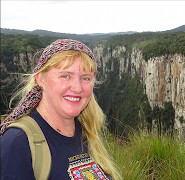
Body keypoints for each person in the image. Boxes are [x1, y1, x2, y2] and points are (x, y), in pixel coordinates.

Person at [0, 39, 121, 180]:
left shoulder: (85, 131)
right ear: (40, 79)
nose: (77, 88)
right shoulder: (18, 143)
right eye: (65, 76)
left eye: (86, 78)